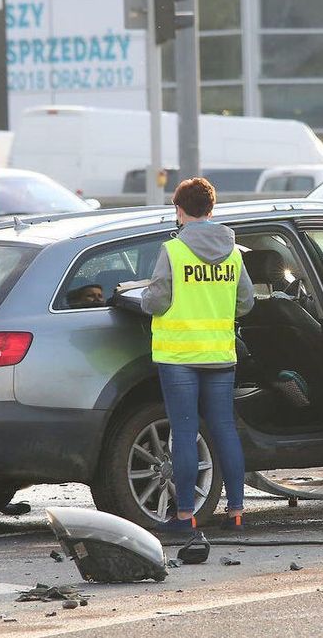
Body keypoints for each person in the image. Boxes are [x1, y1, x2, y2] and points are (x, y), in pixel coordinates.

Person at [142, 177, 254, 533]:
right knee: (224, 430)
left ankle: (185, 515)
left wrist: (141, 297)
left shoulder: (173, 251)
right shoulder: (234, 253)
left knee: (185, 432)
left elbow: (157, 300)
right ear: (211, 209)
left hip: (179, 358)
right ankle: (236, 511)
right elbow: (246, 302)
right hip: (220, 356)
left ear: (179, 210)